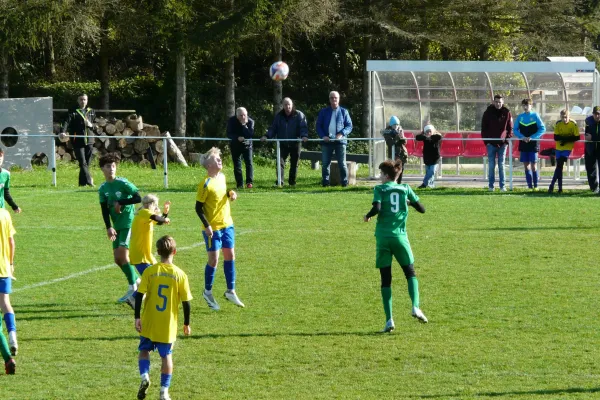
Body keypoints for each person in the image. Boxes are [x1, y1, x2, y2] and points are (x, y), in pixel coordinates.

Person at [364, 159, 428, 333]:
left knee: (386, 279)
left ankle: (389, 320)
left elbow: (377, 207)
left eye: (380, 174)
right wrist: (408, 203)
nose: (379, 177)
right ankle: (415, 306)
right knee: (410, 272)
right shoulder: (405, 189)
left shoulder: (380, 189)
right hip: (400, 237)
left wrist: (368, 215)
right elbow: (422, 209)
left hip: (383, 238)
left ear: (386, 176)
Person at [134, 235, 192, 400]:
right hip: (168, 324)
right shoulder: (180, 274)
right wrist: (186, 323)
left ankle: (144, 375)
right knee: (166, 356)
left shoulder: (150, 271)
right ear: (174, 251)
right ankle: (164, 392)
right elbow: (187, 302)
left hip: (149, 320)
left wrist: (137, 317)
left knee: (144, 350)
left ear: (158, 252)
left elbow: (139, 296)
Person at [195, 147, 245, 310]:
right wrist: (208, 226)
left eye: (220, 159)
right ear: (209, 165)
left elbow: (224, 191)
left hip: (227, 224)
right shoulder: (205, 184)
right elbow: (198, 208)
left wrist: (231, 193)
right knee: (214, 259)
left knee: (230, 255)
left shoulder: (222, 177)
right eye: (217, 159)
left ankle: (231, 290)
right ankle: (207, 292)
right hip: (213, 228)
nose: (220, 161)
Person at [98, 153, 142, 307]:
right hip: (116, 226)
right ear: (102, 169)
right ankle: (137, 280)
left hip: (128, 223)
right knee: (117, 259)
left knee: (123, 255)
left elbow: (138, 197)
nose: (111, 169)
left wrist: (122, 202)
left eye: (114, 166)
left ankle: (133, 288)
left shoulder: (123, 183)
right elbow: (104, 209)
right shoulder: (103, 189)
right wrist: (109, 227)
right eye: (108, 166)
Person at [260, 97, 309, 186]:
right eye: (285, 105)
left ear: (292, 105)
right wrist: (266, 136)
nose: (287, 106)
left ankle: (292, 182)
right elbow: (273, 128)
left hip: (295, 143)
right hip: (283, 144)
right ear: (283, 106)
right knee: (280, 163)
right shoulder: (279, 116)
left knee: (294, 164)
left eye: (289, 104)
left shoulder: (299, 115)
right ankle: (280, 182)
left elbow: (303, 127)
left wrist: (304, 136)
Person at [59, 93, 97, 187]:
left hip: (89, 140)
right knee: (82, 162)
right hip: (78, 140)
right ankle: (89, 181)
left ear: (87, 100)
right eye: (81, 99)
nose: (83, 101)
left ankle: (82, 183)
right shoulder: (73, 112)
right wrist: (63, 131)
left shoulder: (91, 111)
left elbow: (96, 125)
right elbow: (66, 122)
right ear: (77, 100)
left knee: (86, 164)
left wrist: (91, 125)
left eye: (84, 99)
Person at [316, 91, 353, 187]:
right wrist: (323, 136)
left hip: (340, 142)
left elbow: (349, 126)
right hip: (326, 142)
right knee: (325, 164)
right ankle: (325, 183)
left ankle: (344, 183)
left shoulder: (344, 112)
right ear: (329, 99)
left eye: (335, 98)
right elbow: (318, 126)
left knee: (342, 164)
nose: (334, 99)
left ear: (339, 99)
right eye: (332, 98)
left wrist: (341, 134)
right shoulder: (323, 112)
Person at [130, 194, 171, 278]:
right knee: (153, 281)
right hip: (140, 256)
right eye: (156, 205)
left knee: (154, 281)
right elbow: (155, 217)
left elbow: (159, 221)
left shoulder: (145, 215)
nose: (156, 208)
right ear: (151, 204)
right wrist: (164, 219)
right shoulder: (144, 212)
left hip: (147, 255)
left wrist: (165, 213)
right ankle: (134, 291)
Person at [481, 94, 513, 192]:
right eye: (496, 102)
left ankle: (502, 186)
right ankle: (491, 186)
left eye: (500, 102)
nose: (498, 104)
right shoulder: (487, 112)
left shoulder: (507, 112)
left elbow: (510, 128)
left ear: (503, 102)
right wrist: (487, 142)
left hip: (502, 144)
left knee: (501, 165)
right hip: (491, 144)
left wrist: (506, 140)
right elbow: (483, 128)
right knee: (491, 165)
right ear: (493, 102)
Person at [513, 98, 546, 190]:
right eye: (524, 105)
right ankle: (529, 186)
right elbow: (515, 129)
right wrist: (522, 137)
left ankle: (536, 186)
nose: (525, 107)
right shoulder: (520, 117)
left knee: (534, 166)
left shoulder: (535, 115)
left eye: (527, 105)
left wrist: (532, 137)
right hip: (523, 144)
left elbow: (542, 129)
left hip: (533, 144)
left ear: (531, 106)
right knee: (526, 166)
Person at [0, 208, 17, 374]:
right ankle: (12, 334)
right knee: (5, 304)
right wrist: (11, 264)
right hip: (4, 268)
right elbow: (11, 241)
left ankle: (7, 358)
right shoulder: (4, 214)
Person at [549, 110, 580, 194]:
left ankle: (552, 185)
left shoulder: (573, 124)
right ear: (560, 117)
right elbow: (556, 137)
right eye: (563, 117)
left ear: (569, 116)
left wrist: (565, 140)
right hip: (559, 147)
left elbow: (577, 137)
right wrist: (567, 138)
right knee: (560, 167)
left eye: (566, 117)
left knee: (559, 165)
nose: (564, 119)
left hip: (568, 148)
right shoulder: (558, 124)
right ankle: (560, 188)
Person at [227, 107, 254, 189]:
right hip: (235, 145)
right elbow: (229, 133)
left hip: (247, 145)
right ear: (236, 115)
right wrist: (237, 137)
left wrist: (244, 125)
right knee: (237, 165)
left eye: (244, 115)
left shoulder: (250, 121)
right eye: (241, 115)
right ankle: (240, 184)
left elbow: (250, 134)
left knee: (249, 163)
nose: (243, 117)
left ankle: (249, 183)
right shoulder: (231, 121)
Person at [381, 116, 408, 183]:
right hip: (393, 154)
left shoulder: (400, 129)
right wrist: (397, 136)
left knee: (401, 169)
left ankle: (399, 184)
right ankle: (392, 183)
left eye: (397, 124)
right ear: (391, 125)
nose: (396, 126)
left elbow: (404, 142)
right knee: (393, 170)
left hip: (401, 153)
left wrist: (402, 136)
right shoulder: (387, 131)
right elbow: (390, 143)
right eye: (394, 125)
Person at [415, 124, 442, 188]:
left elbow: (439, 136)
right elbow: (417, 137)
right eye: (427, 131)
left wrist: (430, 137)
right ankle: (431, 186)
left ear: (432, 131)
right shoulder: (424, 137)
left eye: (430, 131)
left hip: (435, 158)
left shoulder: (435, 137)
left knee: (432, 171)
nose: (429, 133)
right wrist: (425, 136)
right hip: (427, 157)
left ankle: (424, 184)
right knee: (428, 172)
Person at [584, 106, 600, 193]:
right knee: (590, 169)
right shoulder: (588, 121)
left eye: (599, 114)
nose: (597, 116)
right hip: (590, 148)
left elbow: (591, 136)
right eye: (595, 114)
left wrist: (593, 137)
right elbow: (587, 135)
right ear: (593, 114)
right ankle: (594, 187)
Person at [0, 150, 21, 214]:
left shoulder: (6, 174)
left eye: (0, 156)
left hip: (1, 211)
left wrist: (14, 206)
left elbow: (6, 193)